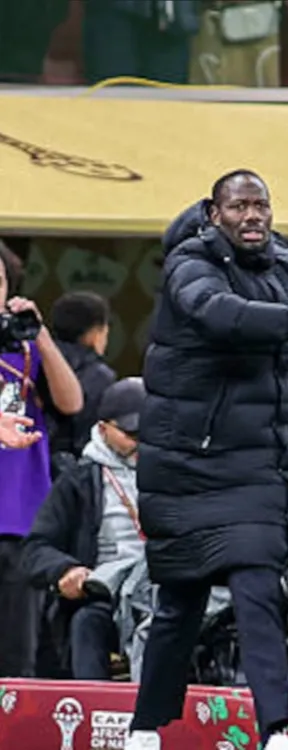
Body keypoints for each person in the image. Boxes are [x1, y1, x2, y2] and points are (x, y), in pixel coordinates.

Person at [123, 171, 288, 750]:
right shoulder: (190, 266)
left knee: (258, 588)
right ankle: (144, 730)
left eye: (260, 204)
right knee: (178, 606)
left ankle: (277, 730)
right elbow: (222, 314)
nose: (252, 215)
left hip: (257, 466)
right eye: (238, 205)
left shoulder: (283, 265)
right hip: (189, 464)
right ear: (214, 214)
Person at [23, 377, 145, 680]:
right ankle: (93, 712)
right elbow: (36, 548)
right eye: (131, 434)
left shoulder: (176, 473)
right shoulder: (79, 479)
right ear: (103, 429)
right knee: (87, 623)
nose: (141, 442)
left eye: (149, 433)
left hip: (162, 589)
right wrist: (66, 571)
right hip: (105, 592)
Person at [0, 241, 84, 679]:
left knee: (17, 654)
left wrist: (41, 334)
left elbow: (72, 402)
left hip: (18, 518)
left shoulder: (25, 350)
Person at [45, 291, 117, 476]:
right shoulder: (100, 376)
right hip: (72, 475)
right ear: (95, 333)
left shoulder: (34, 360)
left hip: (30, 463)